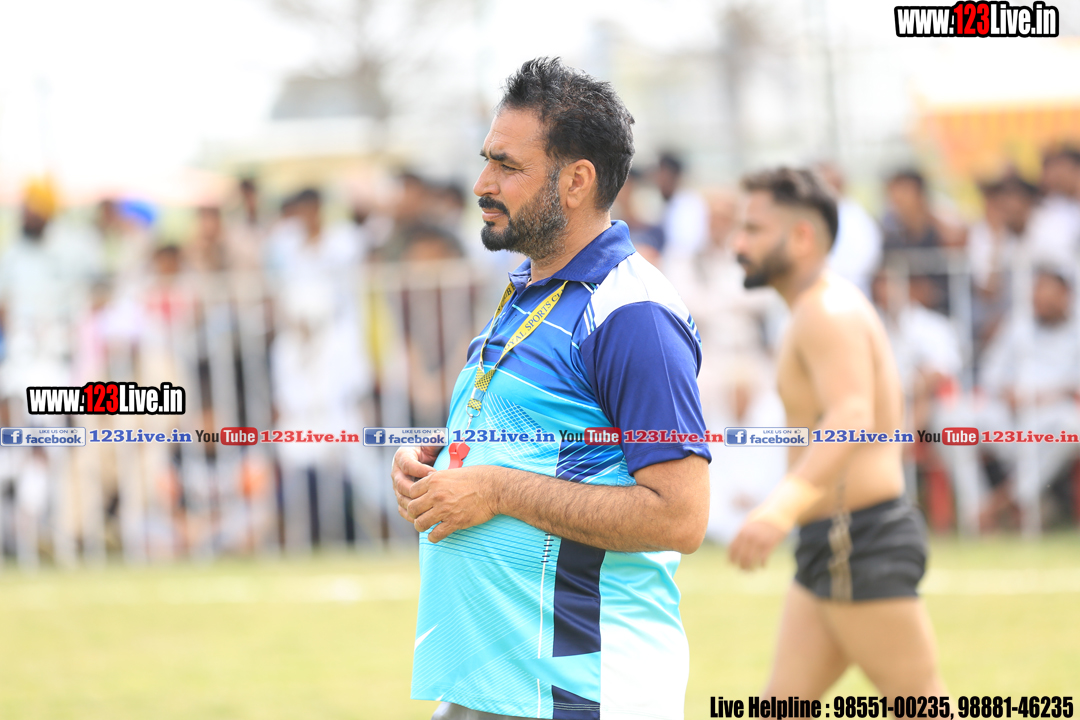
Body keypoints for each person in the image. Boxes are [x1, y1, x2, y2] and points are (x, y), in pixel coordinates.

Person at [391, 57, 711, 720]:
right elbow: (541, 443)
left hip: (584, 693)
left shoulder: (633, 314)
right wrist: (439, 462)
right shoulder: (528, 288)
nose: (482, 183)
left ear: (576, 181)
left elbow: (679, 517)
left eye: (507, 165)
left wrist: (495, 489)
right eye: (487, 160)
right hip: (493, 683)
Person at [727, 167, 947, 697]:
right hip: (832, 541)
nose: (738, 244)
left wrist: (780, 509)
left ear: (802, 236)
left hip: (857, 538)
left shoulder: (826, 311)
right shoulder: (814, 310)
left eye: (754, 229)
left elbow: (850, 418)